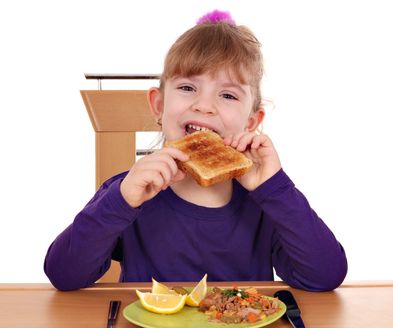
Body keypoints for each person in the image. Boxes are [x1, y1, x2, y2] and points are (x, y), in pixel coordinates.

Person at [44, 10, 347, 291]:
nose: (204, 105)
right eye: (188, 88)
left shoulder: (266, 203)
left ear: (252, 122)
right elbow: (63, 274)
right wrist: (120, 200)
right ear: (159, 106)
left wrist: (276, 188)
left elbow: (325, 274)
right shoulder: (127, 192)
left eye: (227, 95)